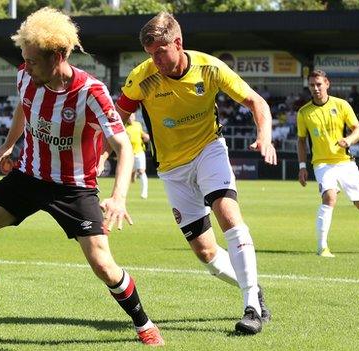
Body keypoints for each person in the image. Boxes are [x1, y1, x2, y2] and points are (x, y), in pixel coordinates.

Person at [0, 8, 164, 346]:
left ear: (60, 55)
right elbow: (23, 106)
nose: (27, 66)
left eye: (34, 60)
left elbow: (123, 147)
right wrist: (9, 145)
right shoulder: (26, 75)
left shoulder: (91, 92)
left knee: (102, 263)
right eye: (25, 59)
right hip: (28, 177)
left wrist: (119, 196)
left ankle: (143, 322)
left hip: (73, 187)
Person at [116, 12, 277, 335]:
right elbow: (116, 117)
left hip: (209, 150)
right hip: (172, 169)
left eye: (161, 52)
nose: (156, 61)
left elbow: (256, 101)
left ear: (178, 43)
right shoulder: (142, 77)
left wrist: (265, 136)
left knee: (227, 212)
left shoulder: (210, 68)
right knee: (205, 252)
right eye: (151, 55)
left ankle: (251, 308)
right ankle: (253, 288)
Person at [297, 70, 359, 257]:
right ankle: (322, 247)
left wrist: (349, 140)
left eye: (318, 84)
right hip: (322, 164)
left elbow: (358, 130)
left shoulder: (341, 105)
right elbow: (301, 140)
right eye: (312, 85)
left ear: (327, 84)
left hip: (345, 162)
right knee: (329, 197)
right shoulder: (304, 112)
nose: (315, 88)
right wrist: (302, 166)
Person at [98, 113, 150, 199]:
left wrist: (146, 137)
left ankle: (144, 193)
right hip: (128, 154)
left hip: (139, 152)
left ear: (135, 117)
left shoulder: (138, 125)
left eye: (132, 116)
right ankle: (133, 174)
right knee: (129, 174)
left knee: (141, 171)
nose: (131, 118)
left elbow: (142, 134)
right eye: (129, 116)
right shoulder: (123, 127)